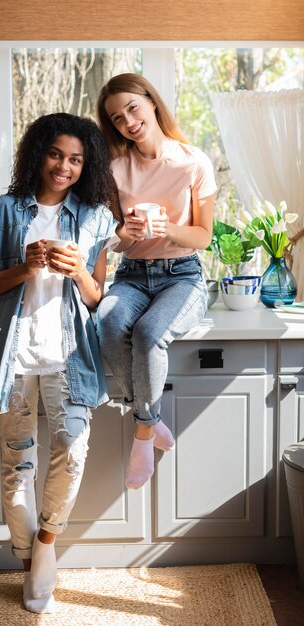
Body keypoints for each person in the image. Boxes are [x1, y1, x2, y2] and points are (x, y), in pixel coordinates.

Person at [0, 112, 117, 614]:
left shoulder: (95, 217)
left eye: (75, 159)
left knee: (71, 447)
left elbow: (97, 299)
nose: (64, 167)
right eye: (55, 154)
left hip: (67, 356)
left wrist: (78, 273)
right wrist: (22, 269)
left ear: (85, 164)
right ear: (38, 154)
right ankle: (29, 557)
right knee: (17, 462)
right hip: (12, 354)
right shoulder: (2, 212)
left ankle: (45, 542)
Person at [96, 73, 217, 490]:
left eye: (132, 108)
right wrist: (124, 235)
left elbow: (204, 236)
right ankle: (154, 420)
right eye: (117, 118)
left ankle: (143, 437)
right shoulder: (114, 170)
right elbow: (109, 239)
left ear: (151, 102)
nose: (128, 121)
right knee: (108, 323)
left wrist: (168, 229)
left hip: (182, 275)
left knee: (149, 333)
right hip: (131, 275)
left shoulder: (192, 161)